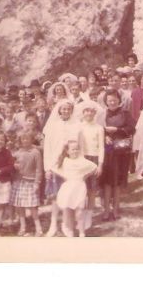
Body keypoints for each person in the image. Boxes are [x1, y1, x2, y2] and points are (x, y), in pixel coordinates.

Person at [43, 99, 79, 236]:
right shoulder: (53, 126)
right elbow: (47, 148)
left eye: (68, 109)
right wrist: (48, 168)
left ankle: (67, 225)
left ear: (71, 111)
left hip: (70, 165)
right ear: (59, 110)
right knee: (55, 196)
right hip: (55, 164)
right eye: (63, 109)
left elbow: (78, 146)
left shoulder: (76, 125)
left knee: (68, 195)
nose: (66, 111)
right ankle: (53, 225)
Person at [100, 89, 136, 221]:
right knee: (107, 182)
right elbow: (97, 129)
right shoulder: (102, 114)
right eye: (109, 100)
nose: (112, 102)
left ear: (119, 100)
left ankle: (116, 209)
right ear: (106, 102)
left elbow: (133, 128)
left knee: (117, 182)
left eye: (114, 99)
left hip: (121, 151)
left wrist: (118, 130)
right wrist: (104, 137)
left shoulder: (125, 113)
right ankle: (106, 210)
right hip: (108, 151)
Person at [52, 141, 98, 237]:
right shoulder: (65, 161)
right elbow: (54, 168)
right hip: (68, 189)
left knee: (80, 212)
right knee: (69, 212)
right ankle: (71, 231)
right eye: (73, 149)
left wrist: (85, 176)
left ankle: (82, 233)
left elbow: (94, 167)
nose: (75, 151)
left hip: (79, 188)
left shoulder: (82, 161)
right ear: (67, 151)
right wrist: (64, 176)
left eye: (77, 149)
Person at [77, 100, 105, 230]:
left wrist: (100, 164)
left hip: (94, 160)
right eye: (86, 111)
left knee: (92, 190)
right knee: (82, 190)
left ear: (95, 113)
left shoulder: (99, 128)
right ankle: (80, 216)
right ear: (83, 113)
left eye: (91, 111)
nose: (89, 113)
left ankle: (89, 215)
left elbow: (101, 148)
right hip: (82, 159)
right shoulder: (79, 127)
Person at [11, 132, 43, 236]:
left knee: (32, 206)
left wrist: (37, 183)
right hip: (19, 182)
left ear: (31, 139)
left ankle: (38, 227)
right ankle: (23, 226)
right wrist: (14, 165)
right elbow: (10, 163)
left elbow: (39, 169)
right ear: (20, 140)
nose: (25, 141)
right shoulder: (17, 152)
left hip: (31, 182)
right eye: (23, 139)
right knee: (19, 205)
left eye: (27, 139)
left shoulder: (35, 152)